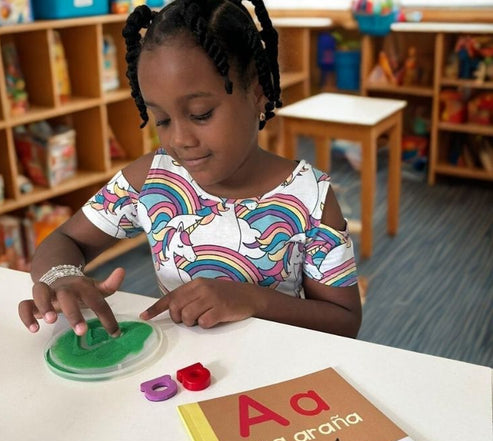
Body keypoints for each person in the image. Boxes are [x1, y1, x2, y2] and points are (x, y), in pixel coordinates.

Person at [18, 0, 362, 339]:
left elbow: (344, 321)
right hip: (180, 378)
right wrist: (60, 277)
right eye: (162, 120)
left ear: (257, 91)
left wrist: (253, 300)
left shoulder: (310, 198)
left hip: (274, 378)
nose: (180, 139)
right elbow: (66, 239)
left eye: (200, 114)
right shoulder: (151, 182)